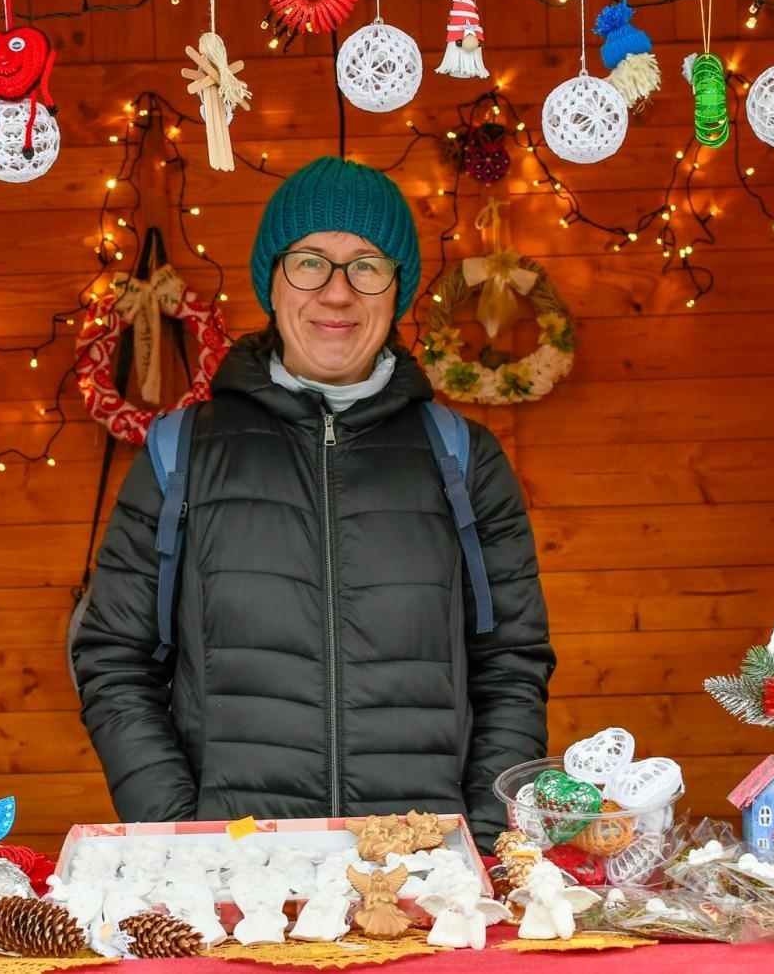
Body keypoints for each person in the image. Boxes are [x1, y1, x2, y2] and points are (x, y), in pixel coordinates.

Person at [70, 156, 555, 837]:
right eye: (309, 262)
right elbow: (113, 657)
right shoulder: (181, 451)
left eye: (367, 264)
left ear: (397, 288)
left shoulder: (463, 459)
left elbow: (511, 665)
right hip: (234, 881)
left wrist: (475, 840)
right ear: (272, 279)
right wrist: (184, 834)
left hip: (426, 881)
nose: (337, 293)